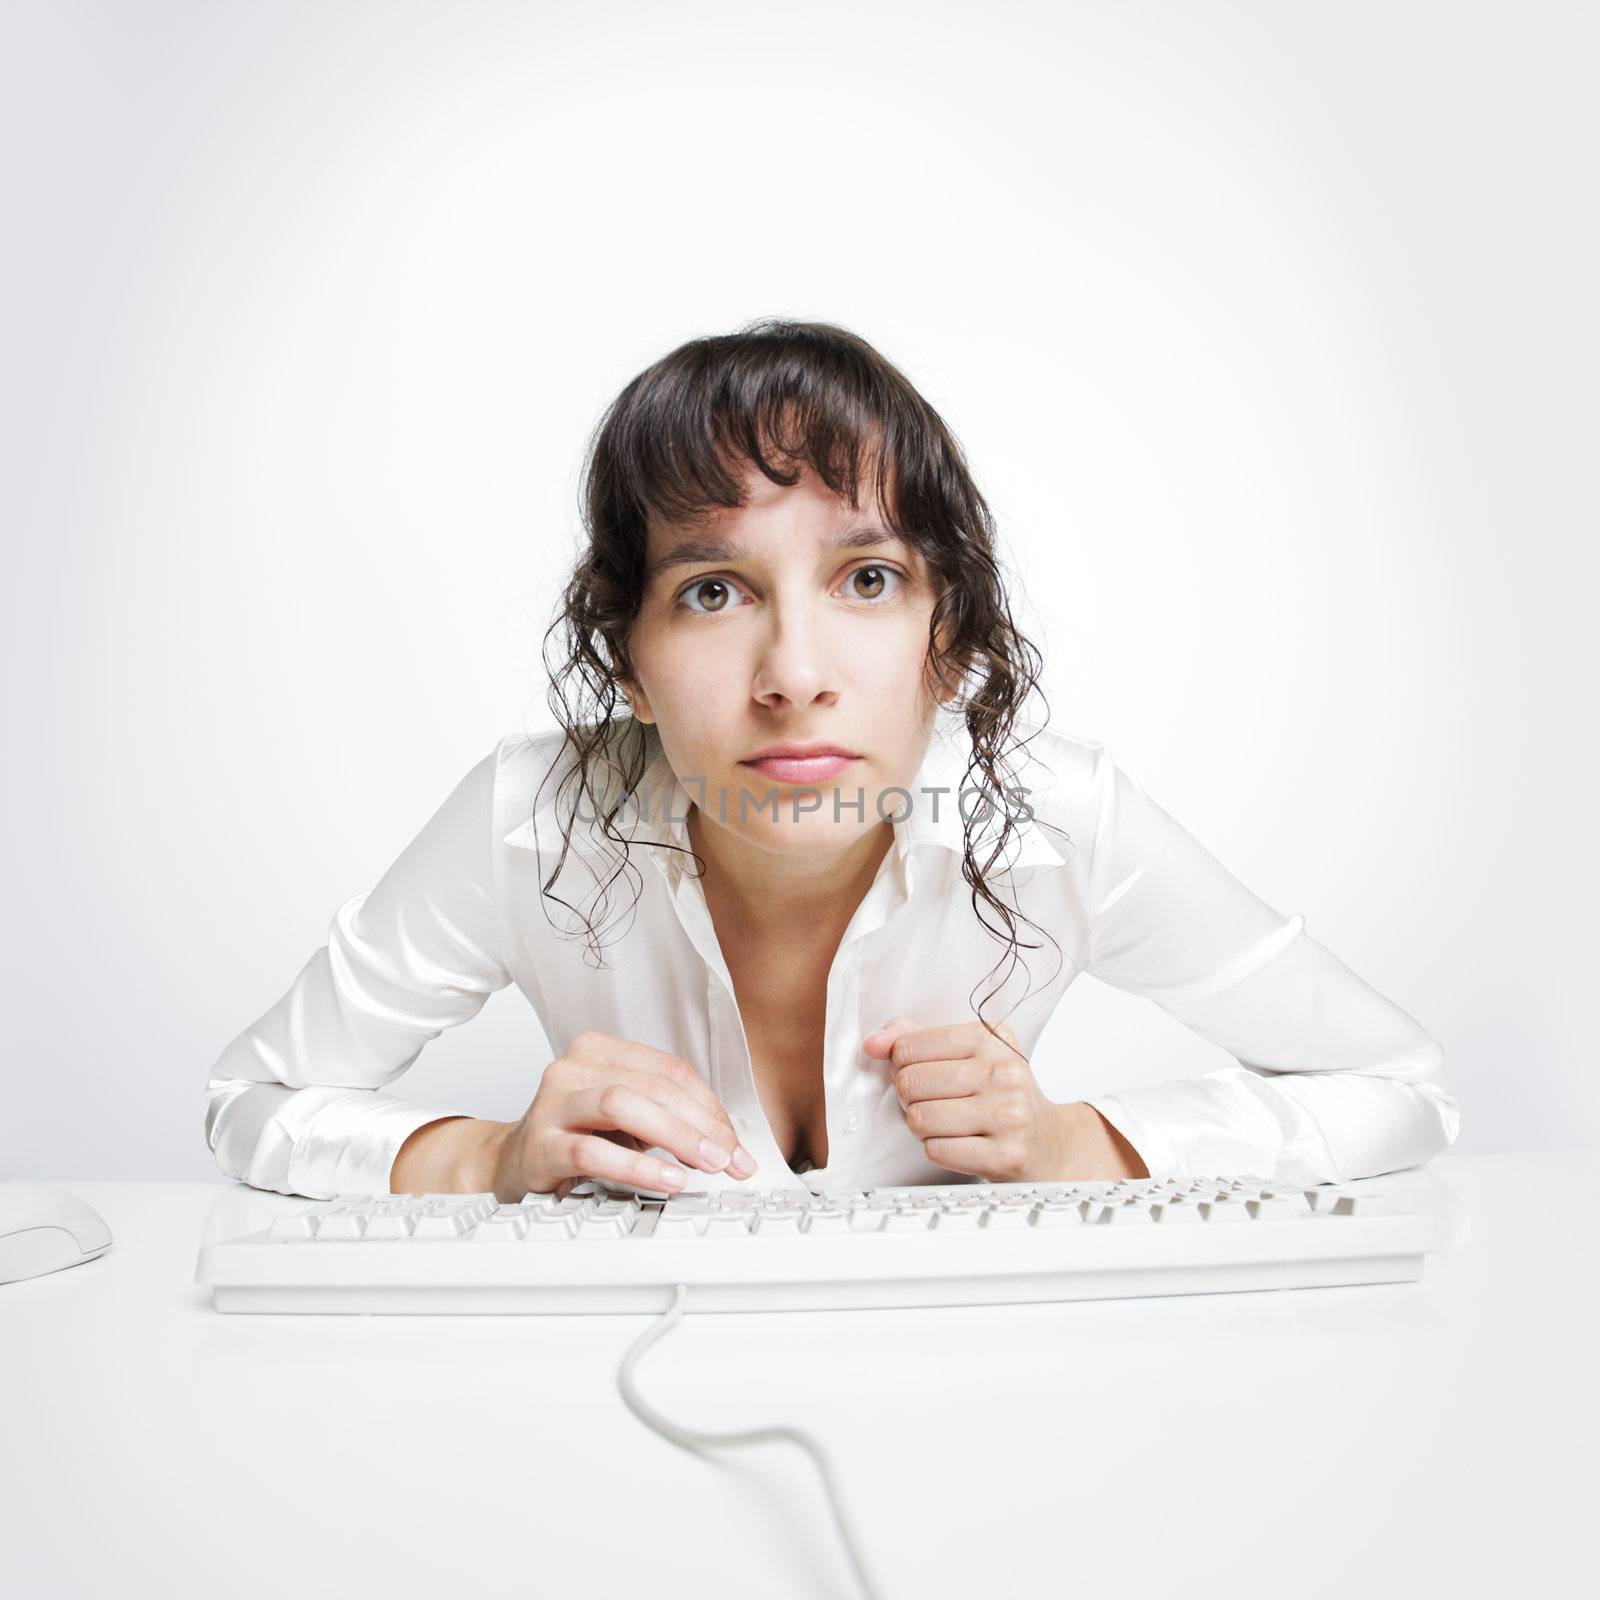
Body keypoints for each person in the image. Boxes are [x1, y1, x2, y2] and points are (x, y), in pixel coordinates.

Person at [203, 318, 1460, 1203]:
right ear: (625, 660)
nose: (793, 671)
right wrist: (487, 1159)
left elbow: (1398, 1084)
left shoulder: (1057, 821)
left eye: (865, 579)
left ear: (948, 636)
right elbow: (253, 1098)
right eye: (710, 591)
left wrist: (1078, 1141)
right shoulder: (529, 818)